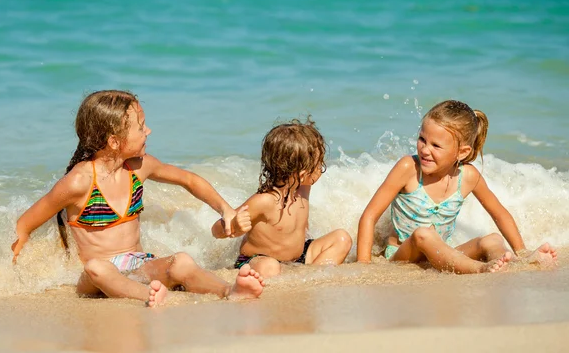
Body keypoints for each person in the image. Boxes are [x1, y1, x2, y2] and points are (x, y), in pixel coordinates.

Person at [11, 90, 264, 307]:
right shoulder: (80, 182)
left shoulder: (139, 168)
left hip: (138, 266)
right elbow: (26, 223)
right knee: (97, 268)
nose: (149, 131)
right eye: (141, 127)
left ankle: (229, 291)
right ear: (113, 141)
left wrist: (226, 210)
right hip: (97, 279)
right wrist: (13, 268)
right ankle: (150, 295)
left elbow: (189, 180)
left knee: (182, 262)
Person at [356, 100, 557, 273]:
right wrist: (363, 265)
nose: (425, 150)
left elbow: (500, 213)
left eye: (436, 146)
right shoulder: (409, 168)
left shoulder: (468, 176)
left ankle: (509, 263)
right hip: (403, 256)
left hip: (444, 255)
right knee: (424, 234)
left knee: (491, 239)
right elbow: (369, 216)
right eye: (422, 139)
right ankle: (479, 269)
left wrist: (521, 251)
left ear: (461, 152)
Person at [212, 117, 352, 279]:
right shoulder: (264, 201)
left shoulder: (302, 188)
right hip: (259, 260)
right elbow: (216, 231)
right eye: (319, 163)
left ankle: (310, 278)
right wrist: (234, 224)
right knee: (270, 266)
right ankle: (304, 278)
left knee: (342, 238)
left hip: (299, 259)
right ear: (301, 174)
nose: (322, 167)